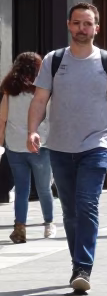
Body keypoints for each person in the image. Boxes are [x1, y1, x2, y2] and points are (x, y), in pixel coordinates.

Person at [27, 2, 107, 292]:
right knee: (70, 212)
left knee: (87, 205)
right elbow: (39, 99)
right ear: (68, 25)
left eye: (88, 24)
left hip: (95, 146)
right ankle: (78, 264)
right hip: (59, 147)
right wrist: (32, 131)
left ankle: (83, 267)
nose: (82, 29)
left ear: (96, 28)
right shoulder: (54, 60)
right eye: (77, 23)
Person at [0, 53, 55, 243]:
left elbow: (2, 119)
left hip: (14, 146)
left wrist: (1, 143)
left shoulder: (9, 91)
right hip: (41, 144)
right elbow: (51, 118)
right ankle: (49, 223)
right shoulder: (43, 90)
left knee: (22, 189)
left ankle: (20, 227)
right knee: (44, 188)